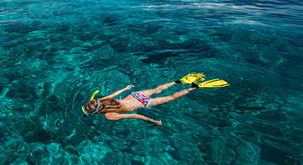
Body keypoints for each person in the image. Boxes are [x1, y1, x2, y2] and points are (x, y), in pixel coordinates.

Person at [81, 73, 229, 126]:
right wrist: (126, 89)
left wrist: (153, 121)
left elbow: (134, 115)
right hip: (135, 95)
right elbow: (115, 93)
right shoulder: (103, 99)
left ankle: (194, 87)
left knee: (171, 97)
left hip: (143, 103)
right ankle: (179, 81)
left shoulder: (109, 116)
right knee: (157, 89)